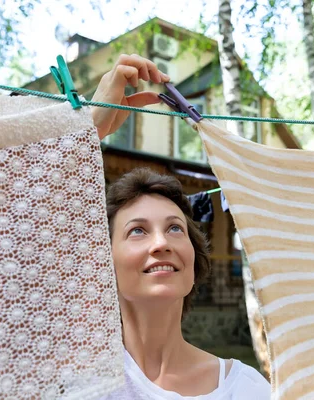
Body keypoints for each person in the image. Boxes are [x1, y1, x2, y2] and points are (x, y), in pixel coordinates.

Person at [91, 54, 271, 399]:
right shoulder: (74, 383)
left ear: (193, 257)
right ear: (104, 260)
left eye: (175, 228)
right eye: (137, 231)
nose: (162, 242)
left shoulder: (247, 389)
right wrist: (89, 128)